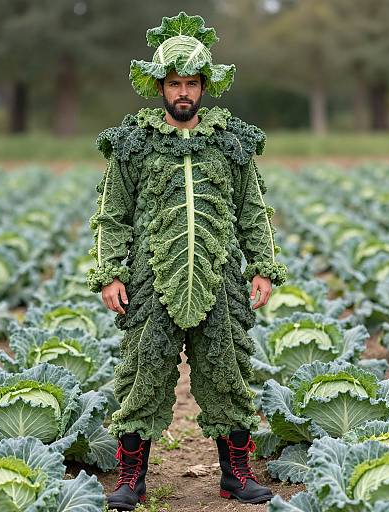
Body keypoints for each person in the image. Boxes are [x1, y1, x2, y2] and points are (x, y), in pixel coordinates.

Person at [87, 11, 287, 511]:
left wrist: (262, 266)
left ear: (205, 86)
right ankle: (131, 480)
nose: (182, 92)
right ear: (159, 86)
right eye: (173, 82)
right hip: (149, 282)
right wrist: (110, 273)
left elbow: (252, 208)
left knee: (228, 372)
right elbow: (111, 215)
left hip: (218, 281)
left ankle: (235, 476)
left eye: (191, 83)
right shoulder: (133, 142)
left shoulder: (231, 140)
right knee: (142, 375)